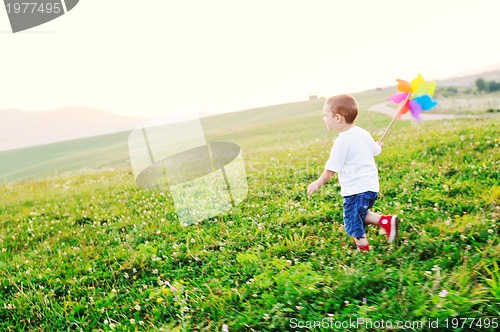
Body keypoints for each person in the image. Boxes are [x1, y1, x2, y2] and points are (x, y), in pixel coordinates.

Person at [307, 94, 399, 251]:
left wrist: (317, 183)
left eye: (325, 115)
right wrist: (379, 145)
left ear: (337, 118)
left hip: (355, 191)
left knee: (352, 221)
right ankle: (385, 221)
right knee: (360, 214)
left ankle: (363, 251)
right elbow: (375, 150)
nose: (324, 119)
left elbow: (331, 170)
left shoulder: (342, 141)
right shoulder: (363, 133)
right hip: (371, 188)